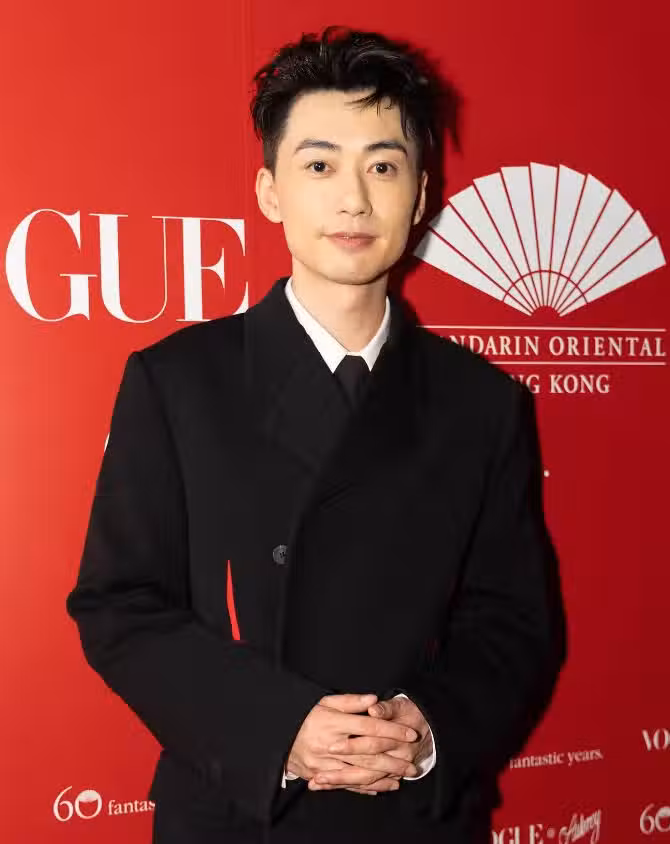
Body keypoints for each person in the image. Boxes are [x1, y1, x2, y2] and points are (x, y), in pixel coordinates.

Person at [66, 25, 564, 844]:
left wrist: (426, 730)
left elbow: (513, 622)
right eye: (321, 165)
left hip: (412, 816)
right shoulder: (179, 381)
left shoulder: (483, 402)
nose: (354, 200)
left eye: (383, 167)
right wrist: (279, 727)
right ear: (271, 191)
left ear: (422, 194)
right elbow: (120, 606)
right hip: (238, 811)